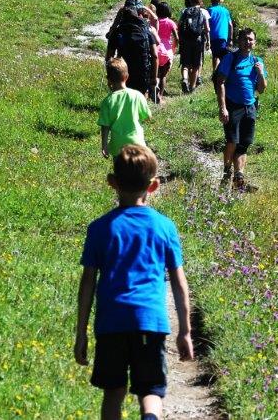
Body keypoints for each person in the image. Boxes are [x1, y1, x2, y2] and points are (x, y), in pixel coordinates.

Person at [74, 145, 194, 420]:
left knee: (113, 392)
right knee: (151, 391)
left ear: (112, 182)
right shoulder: (164, 227)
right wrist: (185, 331)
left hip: (111, 323)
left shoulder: (99, 228)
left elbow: (88, 283)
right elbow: (178, 282)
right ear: (154, 186)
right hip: (149, 322)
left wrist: (81, 332)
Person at [213, 28, 266, 191]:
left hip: (250, 107)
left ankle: (239, 179)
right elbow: (220, 82)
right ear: (239, 41)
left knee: (244, 144)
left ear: (255, 42)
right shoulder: (231, 58)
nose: (247, 42)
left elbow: (261, 89)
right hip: (232, 106)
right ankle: (226, 172)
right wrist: (223, 108)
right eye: (244, 39)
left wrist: (260, 73)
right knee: (232, 142)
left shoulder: (257, 61)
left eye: (250, 39)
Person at [98, 58, 152, 159]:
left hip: (118, 145)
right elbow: (148, 117)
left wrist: (104, 145)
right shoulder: (137, 95)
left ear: (108, 79)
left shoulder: (107, 101)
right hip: (137, 143)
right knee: (137, 168)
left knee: (120, 168)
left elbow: (105, 127)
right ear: (127, 76)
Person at [106, 8, 159, 99]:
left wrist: (110, 76)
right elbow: (155, 55)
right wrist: (154, 78)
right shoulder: (146, 31)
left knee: (123, 96)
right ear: (136, 16)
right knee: (141, 97)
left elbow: (109, 57)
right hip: (143, 70)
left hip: (123, 71)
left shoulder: (117, 32)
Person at [177, 0, 210, 94]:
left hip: (186, 40)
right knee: (196, 65)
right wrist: (208, 41)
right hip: (198, 40)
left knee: (185, 63)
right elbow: (207, 29)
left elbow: (179, 25)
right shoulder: (203, 12)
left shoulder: (185, 11)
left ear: (190, 1)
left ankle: (185, 79)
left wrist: (180, 38)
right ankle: (192, 87)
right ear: (200, 2)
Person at [153, 1, 178, 98]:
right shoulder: (170, 22)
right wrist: (174, 47)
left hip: (156, 49)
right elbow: (176, 37)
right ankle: (160, 95)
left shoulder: (155, 22)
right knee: (163, 75)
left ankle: (154, 91)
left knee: (156, 74)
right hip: (167, 51)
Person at [207, 0, 234, 71]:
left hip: (212, 37)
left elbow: (206, 24)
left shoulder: (209, 10)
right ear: (220, 0)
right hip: (223, 37)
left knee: (215, 56)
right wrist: (230, 38)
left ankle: (215, 72)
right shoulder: (225, 11)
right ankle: (221, 72)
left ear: (211, 0)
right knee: (223, 56)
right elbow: (230, 25)